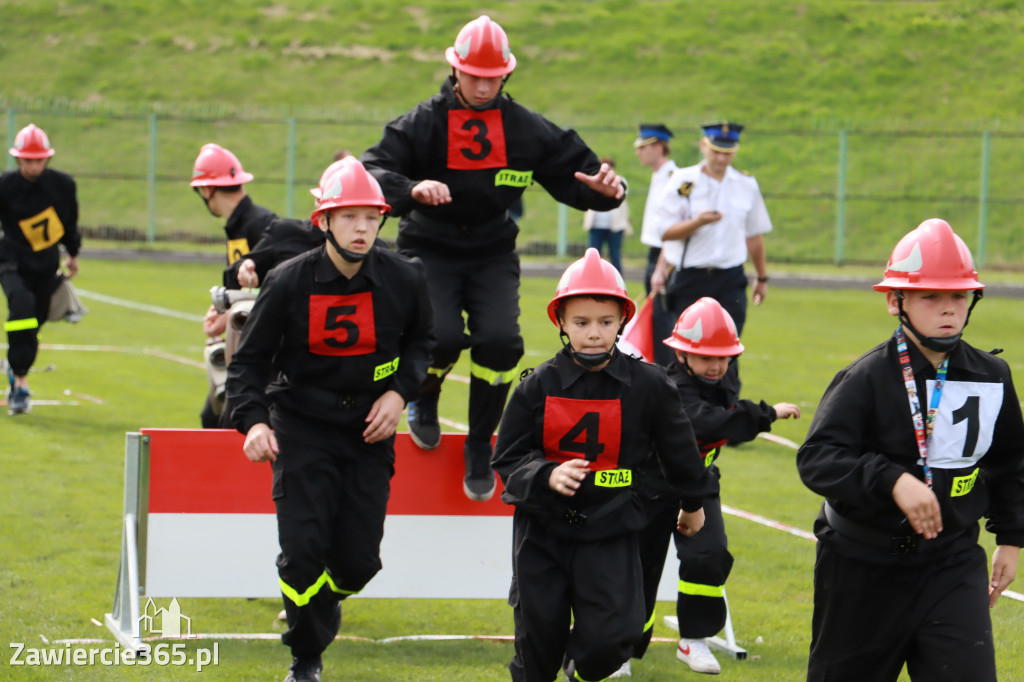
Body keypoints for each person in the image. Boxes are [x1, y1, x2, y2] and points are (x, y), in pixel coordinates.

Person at [361, 15, 625, 502]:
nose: (483, 86)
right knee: (439, 337)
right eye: (473, 76)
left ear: (506, 76)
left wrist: (610, 191)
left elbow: (581, 173)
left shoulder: (525, 129)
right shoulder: (422, 123)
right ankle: (425, 396)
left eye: (493, 77)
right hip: (429, 246)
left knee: (502, 344)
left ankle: (481, 443)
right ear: (454, 71)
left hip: (491, 250)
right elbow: (371, 169)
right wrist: (411, 188)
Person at [226, 159, 434, 682]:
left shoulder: (405, 278)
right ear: (324, 222)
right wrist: (252, 423)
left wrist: (398, 394)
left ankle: (319, 609)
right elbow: (248, 364)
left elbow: (421, 344)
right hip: (302, 428)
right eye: (350, 217)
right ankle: (306, 658)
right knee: (301, 555)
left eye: (372, 217)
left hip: (370, 432)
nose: (363, 228)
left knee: (359, 563)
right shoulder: (287, 282)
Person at [796, 218, 1024, 682]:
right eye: (930, 297)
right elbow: (818, 458)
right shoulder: (865, 378)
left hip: (952, 564)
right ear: (894, 301)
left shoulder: (992, 375)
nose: (948, 310)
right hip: (862, 567)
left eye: (958, 296)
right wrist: (893, 480)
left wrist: (1013, 538)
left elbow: (1009, 463)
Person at [493, 248, 717, 682]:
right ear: (560, 321)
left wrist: (693, 503)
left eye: (605, 322)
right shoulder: (536, 386)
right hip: (543, 532)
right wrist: (546, 474)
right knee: (538, 644)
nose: (593, 333)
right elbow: (508, 457)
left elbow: (680, 453)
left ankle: (581, 673)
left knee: (616, 636)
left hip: (613, 528)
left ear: (621, 321)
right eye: (581, 322)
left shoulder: (650, 385)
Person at [634, 297, 800, 674]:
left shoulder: (722, 380)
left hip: (700, 483)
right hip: (653, 487)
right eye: (706, 357)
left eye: (724, 357)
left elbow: (724, 418)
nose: (716, 366)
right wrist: (767, 413)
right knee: (640, 569)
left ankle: (694, 640)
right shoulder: (672, 387)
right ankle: (624, 648)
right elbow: (710, 423)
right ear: (681, 354)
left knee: (709, 556)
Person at [650, 122, 771, 366]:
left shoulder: (746, 184)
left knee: (729, 352)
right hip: (690, 279)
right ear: (704, 146)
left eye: (728, 152)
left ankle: (728, 404)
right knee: (687, 355)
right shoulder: (683, 181)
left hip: (730, 279)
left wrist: (762, 277)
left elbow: (754, 234)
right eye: (716, 150)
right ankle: (685, 404)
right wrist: (697, 223)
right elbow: (664, 232)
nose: (721, 158)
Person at [190, 143, 277, 427]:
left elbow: (279, 287)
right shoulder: (241, 226)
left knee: (228, 421)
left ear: (206, 190)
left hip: (265, 353)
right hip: (246, 346)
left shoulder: (261, 225)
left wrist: (229, 317)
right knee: (213, 416)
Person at [0, 123, 81, 416]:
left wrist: (72, 254)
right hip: (11, 262)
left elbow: (69, 224)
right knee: (21, 309)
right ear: (18, 159)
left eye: (38, 159)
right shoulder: (4, 186)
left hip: (46, 264)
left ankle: (16, 366)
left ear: (47, 158)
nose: (33, 165)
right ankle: (20, 385)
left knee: (33, 324)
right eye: (27, 160)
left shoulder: (63, 186)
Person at [634, 123, 678, 365]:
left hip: (665, 255)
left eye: (644, 147)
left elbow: (673, 226)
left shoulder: (673, 177)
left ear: (659, 147)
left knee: (663, 321)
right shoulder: (659, 175)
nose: (638, 152)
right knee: (654, 320)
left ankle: (666, 374)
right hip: (655, 253)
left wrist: (661, 267)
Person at [582, 157, 631, 274]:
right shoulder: (594, 181)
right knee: (593, 257)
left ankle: (617, 283)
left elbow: (622, 194)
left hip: (614, 227)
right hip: (596, 226)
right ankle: (591, 280)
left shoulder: (619, 182)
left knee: (615, 256)